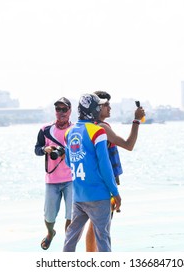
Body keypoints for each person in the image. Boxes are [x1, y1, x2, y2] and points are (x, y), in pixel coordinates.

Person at [85, 90, 145, 252]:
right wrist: (136, 120)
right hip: (104, 184)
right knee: (100, 226)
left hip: (91, 183)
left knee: (95, 224)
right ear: (97, 108)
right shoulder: (102, 127)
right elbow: (129, 144)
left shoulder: (89, 127)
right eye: (106, 105)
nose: (109, 108)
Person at [63, 93, 121, 252]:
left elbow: (68, 161)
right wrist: (115, 192)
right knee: (102, 237)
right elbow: (105, 165)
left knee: (71, 237)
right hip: (99, 196)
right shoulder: (97, 132)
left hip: (79, 195)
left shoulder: (69, 132)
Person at [34, 97, 74, 250]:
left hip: (71, 179)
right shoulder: (45, 130)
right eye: (58, 109)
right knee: (49, 216)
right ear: (55, 111)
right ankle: (50, 233)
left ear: (70, 111)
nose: (61, 112)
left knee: (71, 215)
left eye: (64, 109)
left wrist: (67, 153)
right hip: (52, 180)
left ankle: (68, 244)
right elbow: (37, 149)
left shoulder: (75, 130)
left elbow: (82, 152)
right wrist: (45, 149)